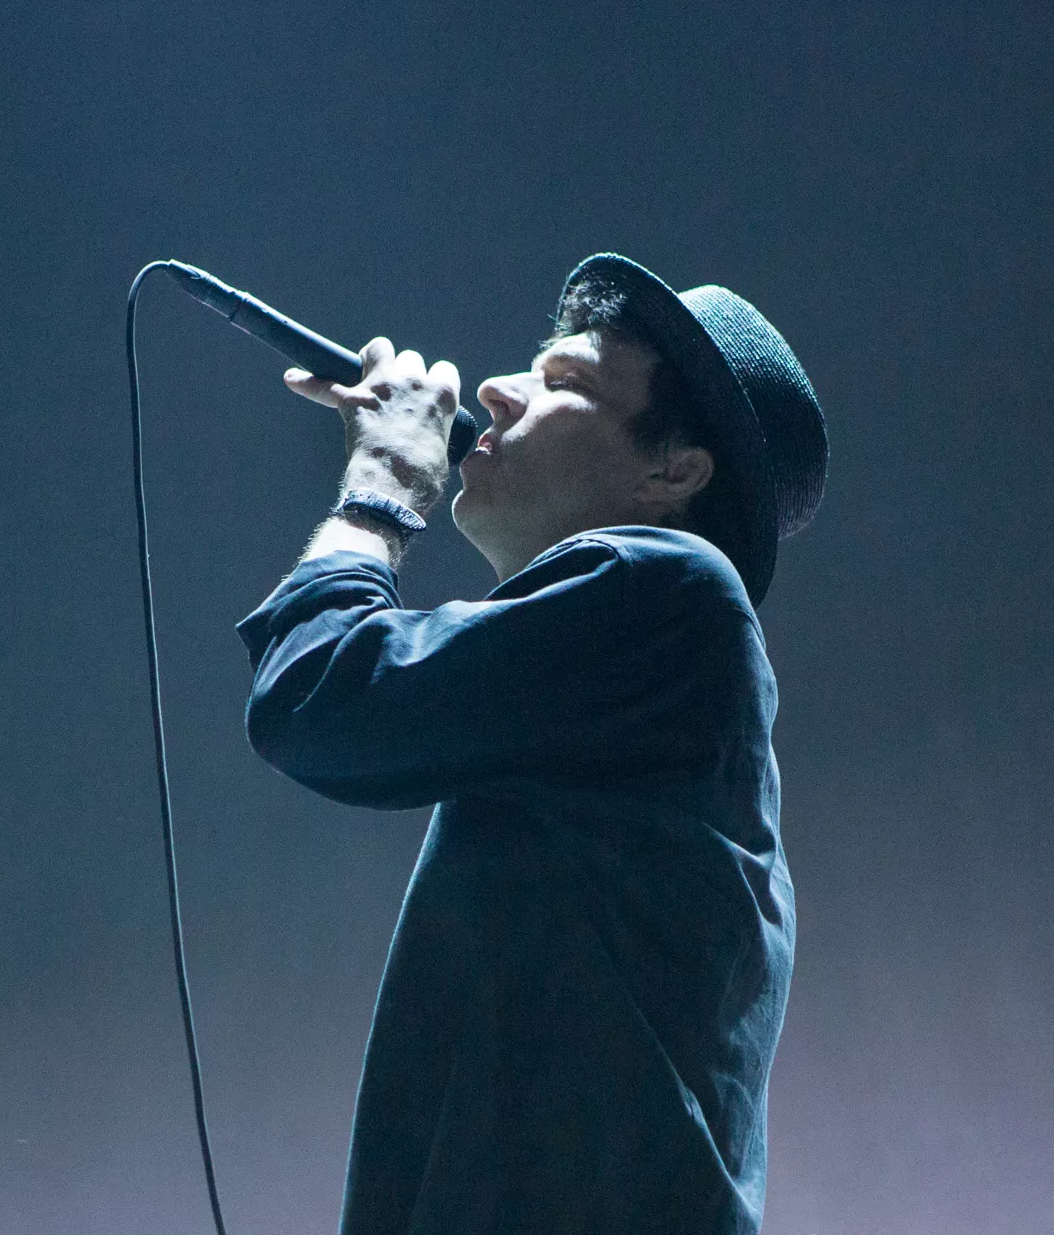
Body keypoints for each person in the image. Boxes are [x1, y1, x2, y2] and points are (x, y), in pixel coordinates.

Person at [235, 253, 828, 1235]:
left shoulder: (673, 590)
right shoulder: (630, 678)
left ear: (673, 470)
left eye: (564, 381)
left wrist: (381, 486)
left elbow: (321, 695)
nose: (496, 390)